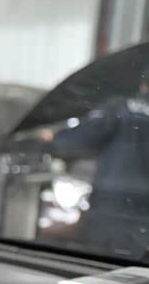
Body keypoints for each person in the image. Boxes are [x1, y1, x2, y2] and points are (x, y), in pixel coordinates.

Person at [41, 72, 149, 257]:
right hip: (144, 206)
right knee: (132, 260)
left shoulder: (119, 107)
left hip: (111, 199)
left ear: (142, 84)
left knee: (100, 259)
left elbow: (84, 137)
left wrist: (54, 137)